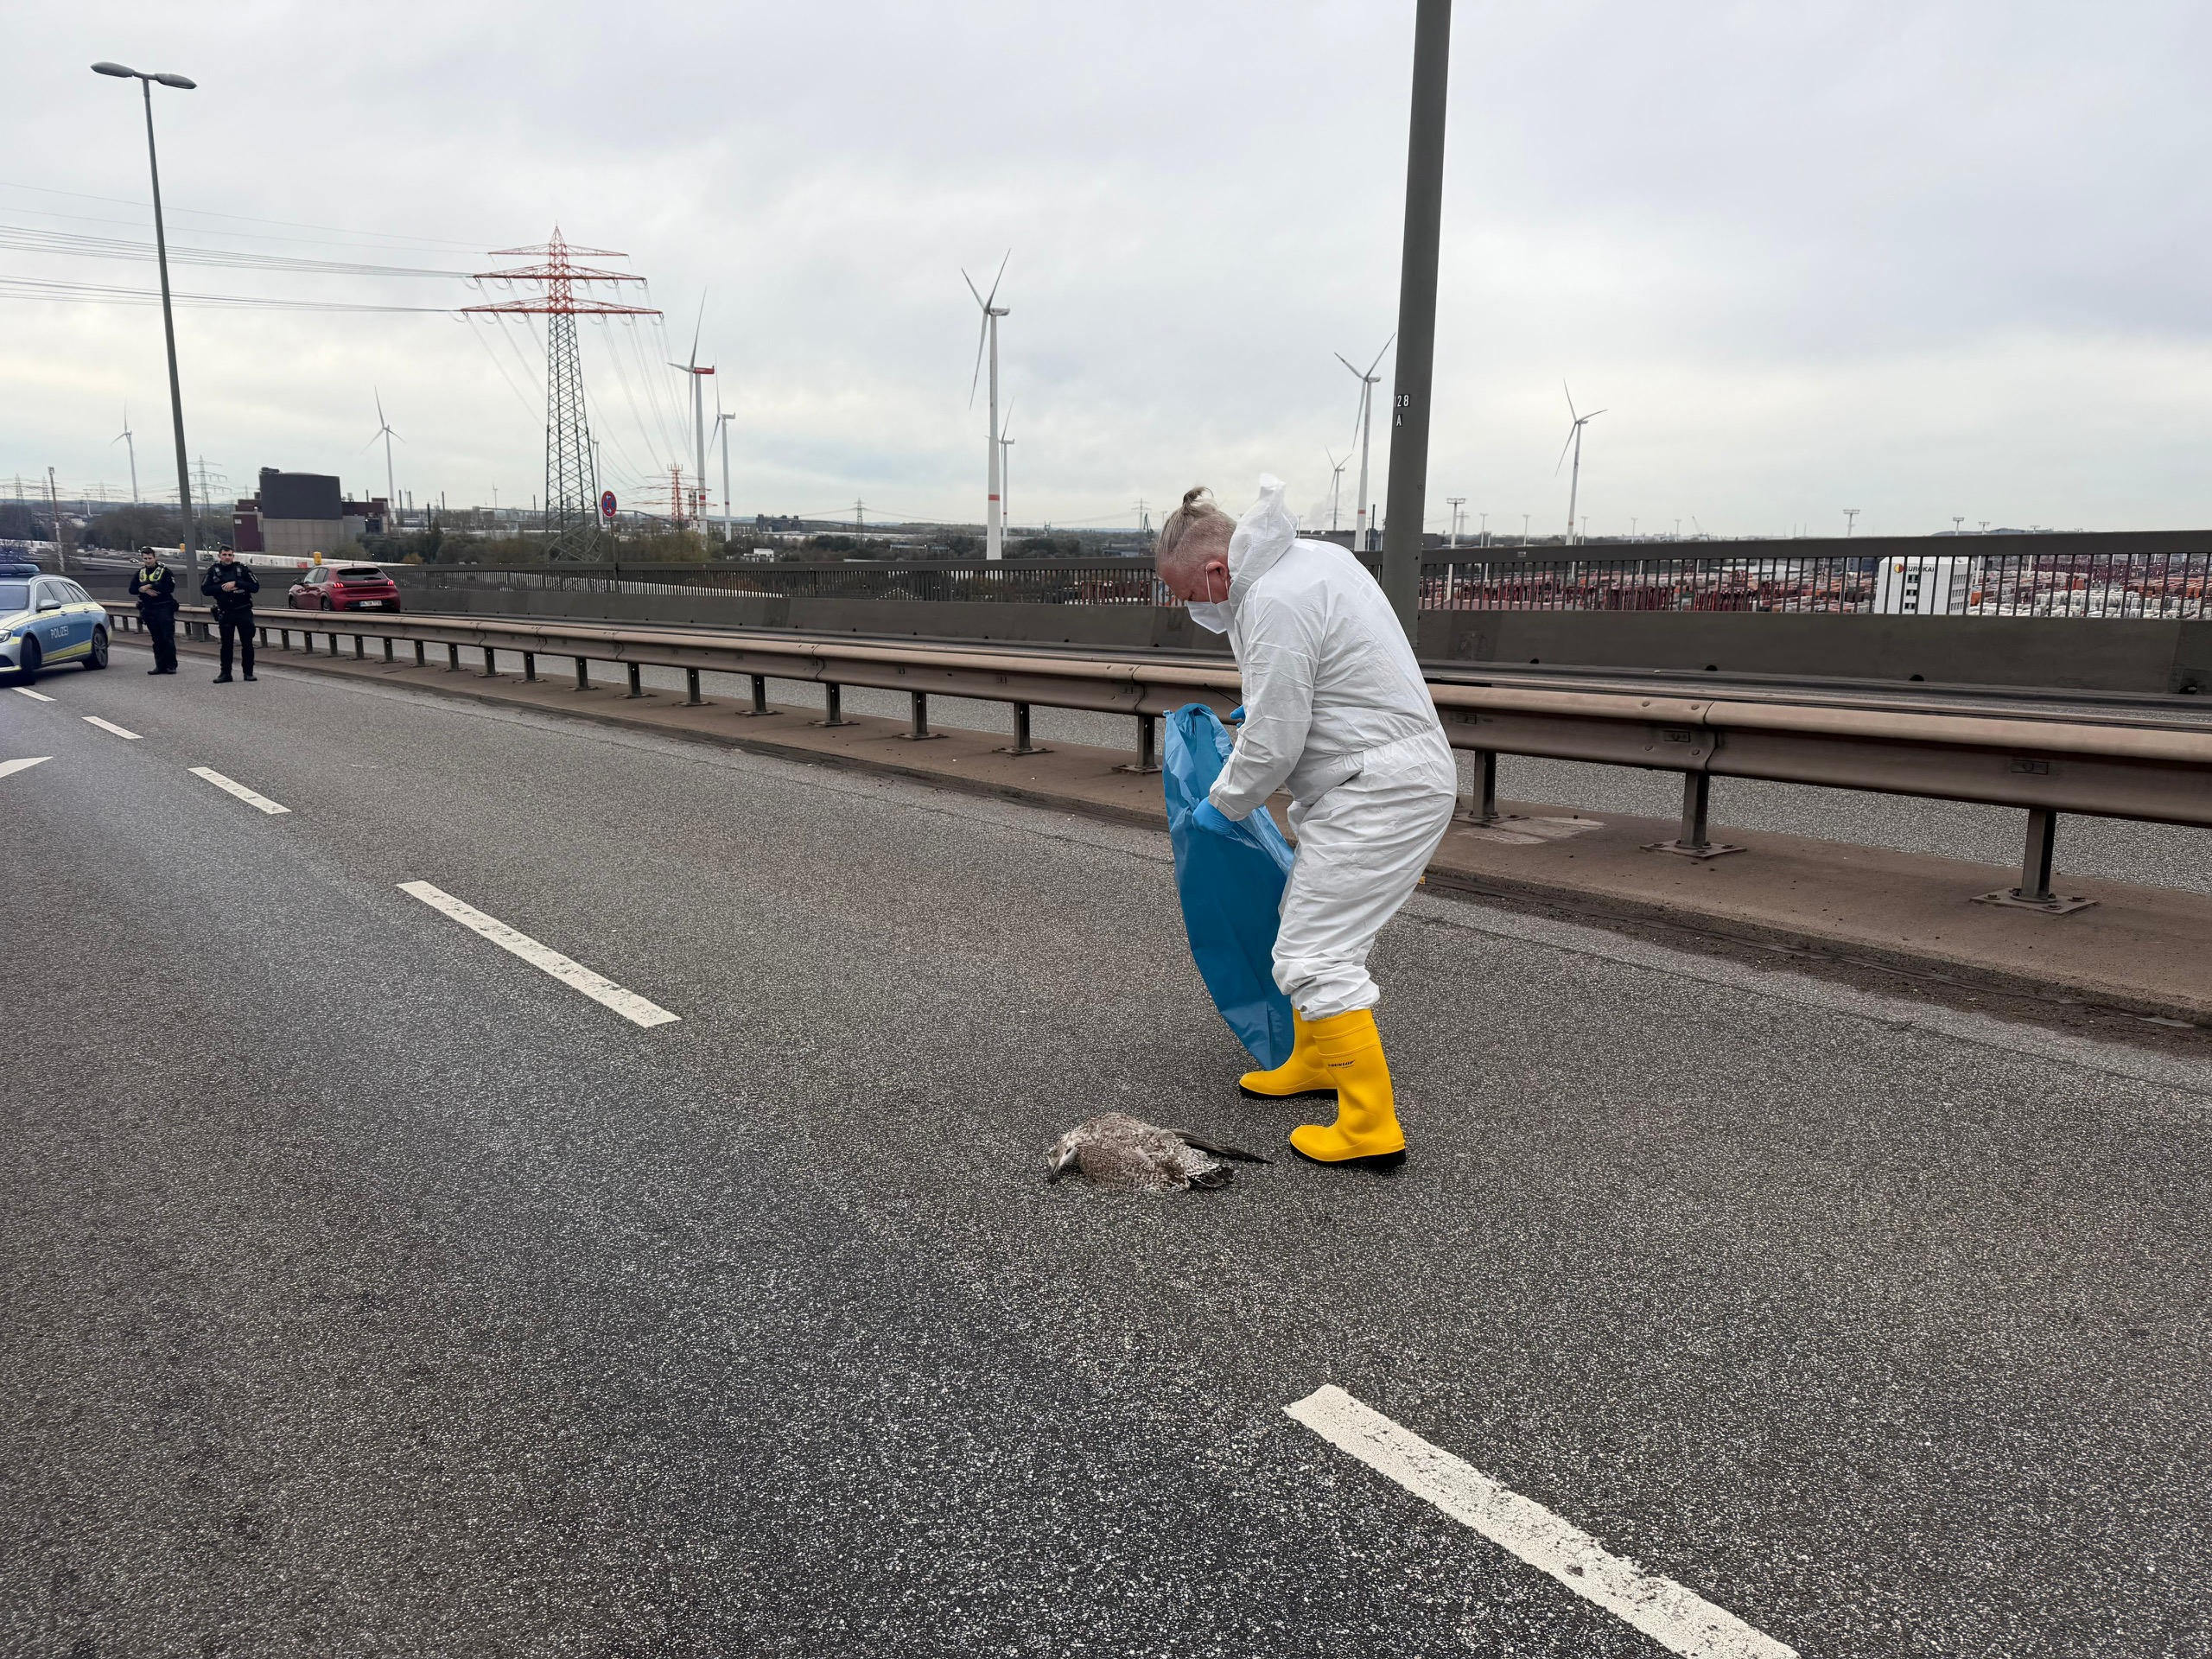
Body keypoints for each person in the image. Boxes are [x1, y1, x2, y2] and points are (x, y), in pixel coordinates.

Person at [1155, 476, 1457, 1171]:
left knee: (1316, 954)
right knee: (1300, 921)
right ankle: (1317, 1061)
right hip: (1377, 774)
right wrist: (1270, 707)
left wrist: (1221, 806)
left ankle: (1369, 1126)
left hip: (1380, 788)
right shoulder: (1314, 559)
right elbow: (1333, 670)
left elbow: (1273, 743)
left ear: (1217, 569)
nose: (1190, 607)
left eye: (1187, 593)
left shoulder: (1273, 599)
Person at [200, 547, 258, 683]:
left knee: (247, 643)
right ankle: (225, 673)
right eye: (225, 555)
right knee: (226, 645)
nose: (227, 557)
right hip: (226, 612)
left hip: (243, 611)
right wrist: (223, 587)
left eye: (230, 555)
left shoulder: (242, 569)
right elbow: (205, 590)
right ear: (219, 556)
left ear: (233, 556)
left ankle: (248, 673)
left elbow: (255, 587)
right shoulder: (213, 570)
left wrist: (237, 583)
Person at [128, 545, 179, 674]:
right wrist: (144, 590)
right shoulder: (140, 573)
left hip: (164, 607)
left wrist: (151, 586)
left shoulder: (165, 571)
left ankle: (171, 665)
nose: (148, 561)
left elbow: (169, 588)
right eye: (145, 558)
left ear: (155, 558)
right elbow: (132, 589)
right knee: (156, 639)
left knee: (167, 637)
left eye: (150, 558)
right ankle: (160, 665)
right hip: (149, 609)